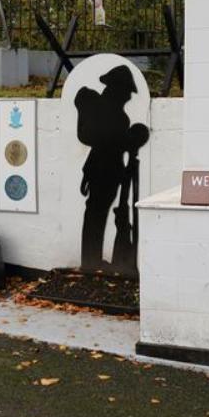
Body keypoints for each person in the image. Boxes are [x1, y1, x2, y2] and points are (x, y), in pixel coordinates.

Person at [75, 65, 149, 273]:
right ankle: (90, 262)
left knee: (96, 216)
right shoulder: (111, 114)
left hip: (109, 171)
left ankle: (92, 261)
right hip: (103, 171)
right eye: (126, 92)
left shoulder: (114, 113)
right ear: (117, 89)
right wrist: (133, 138)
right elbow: (111, 140)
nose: (128, 97)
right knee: (95, 216)